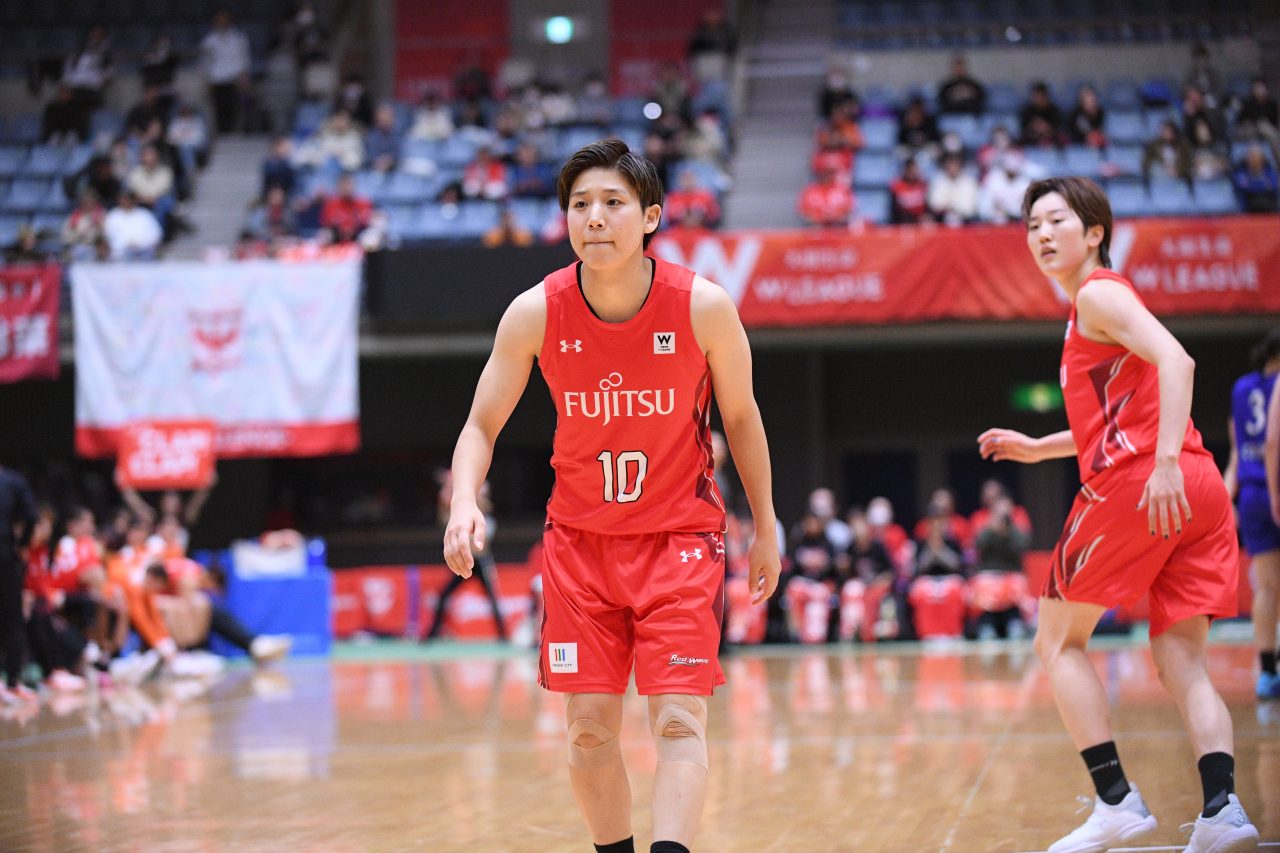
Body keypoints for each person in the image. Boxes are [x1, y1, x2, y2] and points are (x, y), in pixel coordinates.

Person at [442, 138, 780, 853]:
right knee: (589, 729)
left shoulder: (704, 306)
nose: (594, 217)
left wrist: (767, 525)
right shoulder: (535, 312)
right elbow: (479, 424)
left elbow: (743, 419)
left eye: (613, 202)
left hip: (680, 540)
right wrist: (464, 500)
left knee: (678, 720)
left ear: (651, 216)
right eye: (580, 204)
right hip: (580, 547)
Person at [978, 176, 1258, 852]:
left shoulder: (1097, 294)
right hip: (1198, 488)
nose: (1042, 234)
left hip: (1146, 482)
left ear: (1095, 232)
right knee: (1181, 657)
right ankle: (1222, 810)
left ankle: (1115, 801)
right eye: (1032, 225)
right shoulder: (1099, 303)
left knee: (1056, 642)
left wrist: (1161, 463)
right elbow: (1113, 421)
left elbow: (1178, 361)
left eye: (1056, 220)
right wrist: (1040, 447)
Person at [1226, 328, 1280, 700]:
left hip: (1252, 494)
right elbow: (1273, 443)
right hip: (1274, 489)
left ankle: (1267, 671)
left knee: (1267, 586)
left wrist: (1225, 498)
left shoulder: (1241, 388)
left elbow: (1236, 450)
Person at [426, 477, 507, 640]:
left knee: (492, 599)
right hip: (465, 561)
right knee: (444, 595)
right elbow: (444, 517)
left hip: (481, 562)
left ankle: (503, 636)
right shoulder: (460, 516)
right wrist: (448, 495)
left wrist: (472, 494)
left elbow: (480, 541)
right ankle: (433, 633)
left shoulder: (487, 520)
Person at [0, 463, 38, 706]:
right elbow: (31, 516)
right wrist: (22, 545)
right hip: (5, 556)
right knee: (12, 619)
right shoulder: (13, 481)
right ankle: (12, 683)